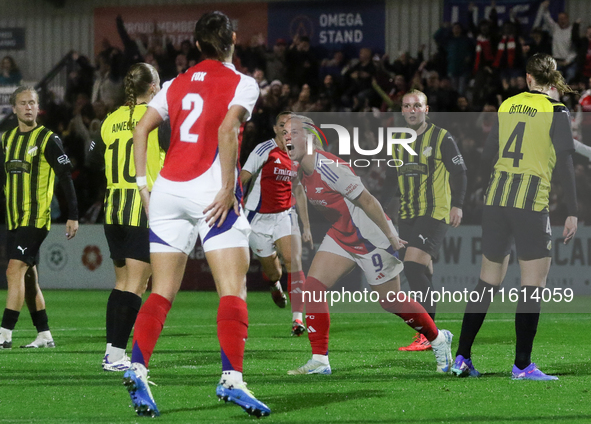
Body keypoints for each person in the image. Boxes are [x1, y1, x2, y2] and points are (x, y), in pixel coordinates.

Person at [122, 11, 270, 417]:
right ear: (233, 40)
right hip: (209, 192)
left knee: (161, 293)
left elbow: (140, 130)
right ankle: (232, 379)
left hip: (168, 190)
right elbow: (226, 131)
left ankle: (137, 366)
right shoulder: (244, 83)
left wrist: (142, 186)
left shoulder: (174, 83)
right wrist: (226, 188)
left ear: (197, 45)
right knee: (232, 290)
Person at [284, 114, 453, 376]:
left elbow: (369, 201)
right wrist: (306, 225)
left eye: (293, 132)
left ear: (310, 138)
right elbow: (298, 192)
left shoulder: (328, 167)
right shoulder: (299, 169)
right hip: (342, 234)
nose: (287, 136)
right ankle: (320, 360)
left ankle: (438, 339)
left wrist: (391, 237)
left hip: (370, 237)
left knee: (391, 301)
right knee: (313, 287)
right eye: (285, 132)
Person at [452, 53, 577, 380]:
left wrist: (480, 188)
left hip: (496, 197)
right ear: (552, 82)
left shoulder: (507, 105)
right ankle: (522, 365)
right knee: (532, 285)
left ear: (527, 79)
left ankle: (462, 357)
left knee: (486, 282)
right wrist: (574, 211)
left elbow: (489, 151)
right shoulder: (556, 110)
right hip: (529, 200)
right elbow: (565, 162)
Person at [87, 63, 166, 371]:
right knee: (136, 284)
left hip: (113, 208)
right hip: (142, 207)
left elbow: (92, 155)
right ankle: (116, 356)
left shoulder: (109, 120)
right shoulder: (158, 119)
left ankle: (111, 351)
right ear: (153, 88)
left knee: (122, 282)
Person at [0, 86, 78, 349]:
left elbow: (66, 177)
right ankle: (44, 334)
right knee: (29, 278)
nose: (29, 107)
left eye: (32, 103)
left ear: (38, 107)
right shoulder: (6, 139)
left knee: (14, 271)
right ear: (14, 108)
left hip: (36, 218)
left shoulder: (47, 138)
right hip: (14, 219)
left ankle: (4, 334)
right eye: (23, 103)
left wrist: (73, 214)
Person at [391, 89, 467, 352]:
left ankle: (429, 334)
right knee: (423, 271)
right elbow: (397, 179)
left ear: (427, 110)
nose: (412, 110)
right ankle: (433, 332)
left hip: (435, 212)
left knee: (412, 268)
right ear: (402, 110)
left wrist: (458, 204)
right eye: (407, 106)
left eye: (417, 106)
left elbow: (460, 172)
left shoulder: (442, 137)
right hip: (408, 213)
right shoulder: (398, 141)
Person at [240, 111, 312, 336]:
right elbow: (243, 177)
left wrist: (306, 225)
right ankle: (274, 284)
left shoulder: (297, 155)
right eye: (282, 125)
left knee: (294, 261)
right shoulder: (264, 150)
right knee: (273, 271)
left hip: (285, 215)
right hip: (257, 217)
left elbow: (298, 189)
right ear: (275, 129)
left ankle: (297, 319)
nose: (286, 130)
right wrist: (232, 203)